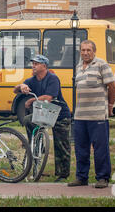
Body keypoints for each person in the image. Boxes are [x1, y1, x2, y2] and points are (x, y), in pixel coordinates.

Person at [13, 54, 72, 183]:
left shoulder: (52, 78)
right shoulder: (32, 80)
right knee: (28, 120)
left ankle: (63, 174)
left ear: (44, 66)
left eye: (36, 64)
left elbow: (49, 97)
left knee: (61, 144)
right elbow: (15, 90)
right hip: (43, 113)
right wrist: (21, 86)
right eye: (32, 63)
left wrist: (32, 100)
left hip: (59, 114)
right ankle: (33, 144)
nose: (33, 66)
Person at [68, 40, 115, 189]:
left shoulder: (101, 64)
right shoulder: (78, 67)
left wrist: (110, 105)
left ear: (94, 51)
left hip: (97, 117)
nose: (85, 53)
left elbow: (113, 86)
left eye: (88, 50)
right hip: (80, 116)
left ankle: (102, 178)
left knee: (100, 149)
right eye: (83, 50)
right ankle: (81, 177)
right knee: (80, 149)